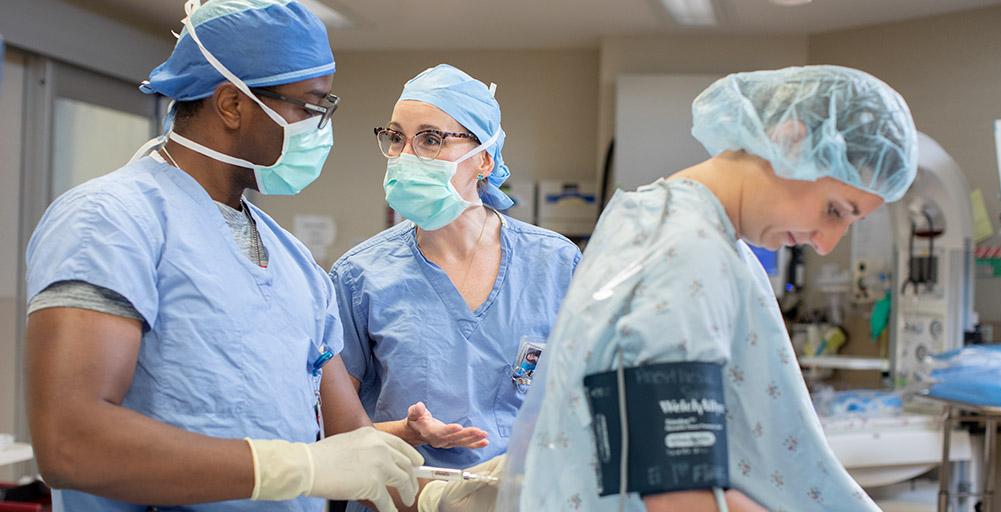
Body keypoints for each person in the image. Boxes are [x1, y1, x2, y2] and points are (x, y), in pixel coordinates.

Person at [24, 1, 421, 511]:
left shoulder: (294, 262)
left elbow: (353, 445)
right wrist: (294, 468)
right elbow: (71, 443)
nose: (319, 128)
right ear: (232, 104)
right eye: (309, 106)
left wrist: (449, 494)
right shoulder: (111, 221)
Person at [487, 65, 918, 511]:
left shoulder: (656, 219)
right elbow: (678, 495)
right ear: (791, 141)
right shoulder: (688, 249)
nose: (827, 244)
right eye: (835, 211)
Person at [329, 64, 581, 511]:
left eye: (430, 139)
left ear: (484, 159)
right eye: (396, 137)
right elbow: (331, 434)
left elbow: (587, 406)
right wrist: (406, 432)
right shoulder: (359, 275)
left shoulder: (555, 264)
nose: (405, 155)